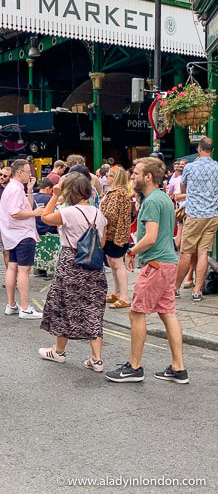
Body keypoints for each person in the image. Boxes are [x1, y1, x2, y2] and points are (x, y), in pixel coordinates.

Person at [105, 157, 187, 384]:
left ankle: (134, 367)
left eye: (136, 174)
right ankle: (178, 368)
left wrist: (132, 251)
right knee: (167, 312)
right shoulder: (163, 198)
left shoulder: (151, 201)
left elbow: (150, 237)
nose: (132, 177)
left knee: (136, 312)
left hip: (156, 265)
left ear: (148, 177)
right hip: (168, 262)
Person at [38, 172, 108, 371]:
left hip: (71, 263)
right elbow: (101, 242)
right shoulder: (99, 214)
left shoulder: (68, 212)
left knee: (64, 305)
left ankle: (58, 352)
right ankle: (97, 359)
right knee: (93, 308)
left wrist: (54, 195)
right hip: (94, 266)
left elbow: (45, 218)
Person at [0, 159, 45, 319]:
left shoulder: (15, 188)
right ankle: (25, 308)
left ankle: (11, 304)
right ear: (19, 173)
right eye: (28, 172)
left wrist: (30, 190)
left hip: (12, 235)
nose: (30, 174)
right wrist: (36, 213)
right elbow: (16, 213)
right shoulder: (15, 189)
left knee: (12, 267)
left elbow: (25, 206)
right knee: (24, 270)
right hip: (22, 234)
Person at [176, 137, 218, 302]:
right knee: (203, 253)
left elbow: (183, 187)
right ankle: (197, 290)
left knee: (186, 253)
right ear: (212, 150)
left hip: (194, 215)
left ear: (199, 149)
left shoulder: (190, 167)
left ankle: (175, 288)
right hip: (212, 216)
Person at [101, 167, 132, 308]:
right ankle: (118, 292)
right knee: (113, 264)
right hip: (112, 234)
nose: (106, 178)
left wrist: (100, 215)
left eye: (108, 176)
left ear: (115, 178)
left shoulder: (118, 193)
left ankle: (124, 296)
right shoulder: (118, 192)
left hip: (115, 234)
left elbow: (111, 214)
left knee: (118, 264)